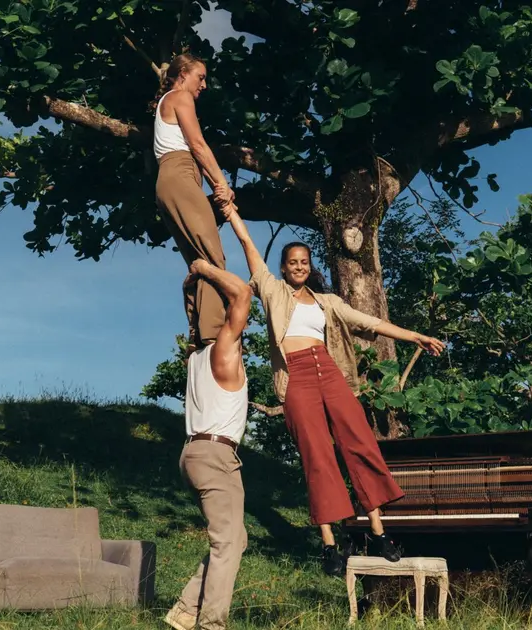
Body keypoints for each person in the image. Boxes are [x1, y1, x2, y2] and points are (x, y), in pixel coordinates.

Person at [221, 204, 446, 577]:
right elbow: (247, 243)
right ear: (282, 267)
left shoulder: (328, 303)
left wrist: (416, 336)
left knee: (359, 442)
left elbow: (370, 321)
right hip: (296, 379)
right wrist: (231, 212)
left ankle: (378, 532)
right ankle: (329, 545)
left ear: (310, 266)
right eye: (292, 262)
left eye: (304, 261)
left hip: (329, 372)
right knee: (317, 455)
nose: (299, 266)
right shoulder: (273, 291)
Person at [164, 258, 252, 630]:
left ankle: (186, 611)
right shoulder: (222, 351)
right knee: (227, 544)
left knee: (235, 539)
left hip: (194, 453)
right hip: (216, 454)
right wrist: (204, 268)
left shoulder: (195, 357)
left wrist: (191, 290)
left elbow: (196, 324)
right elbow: (244, 294)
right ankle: (211, 624)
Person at [152, 53, 236, 351]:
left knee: (200, 262)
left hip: (173, 179)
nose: (204, 84)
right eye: (201, 77)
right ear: (183, 74)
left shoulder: (168, 102)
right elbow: (198, 145)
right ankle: (215, 335)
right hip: (179, 174)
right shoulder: (180, 97)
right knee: (213, 257)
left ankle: (199, 335)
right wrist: (221, 183)